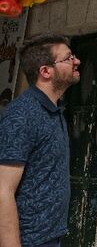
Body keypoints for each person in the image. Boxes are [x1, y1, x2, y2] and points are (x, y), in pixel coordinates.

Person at [0, 34, 81, 247]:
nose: (77, 61)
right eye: (68, 58)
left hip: (51, 236)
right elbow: (2, 189)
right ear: (45, 71)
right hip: (28, 241)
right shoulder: (22, 115)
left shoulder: (54, 110)